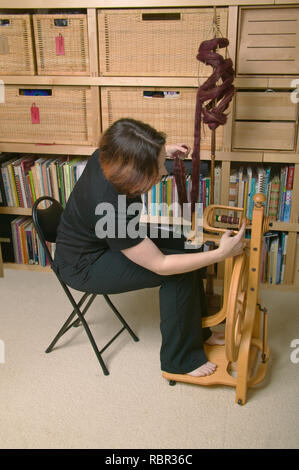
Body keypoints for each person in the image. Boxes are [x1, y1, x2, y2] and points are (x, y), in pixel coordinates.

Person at [54, 118, 246, 378]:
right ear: (135, 174)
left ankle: (200, 330)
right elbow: (161, 265)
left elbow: (130, 147)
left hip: (102, 238)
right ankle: (180, 361)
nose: (164, 172)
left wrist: (162, 152)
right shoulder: (113, 210)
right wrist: (221, 254)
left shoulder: (107, 155)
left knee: (189, 244)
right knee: (179, 271)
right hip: (84, 263)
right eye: (158, 167)